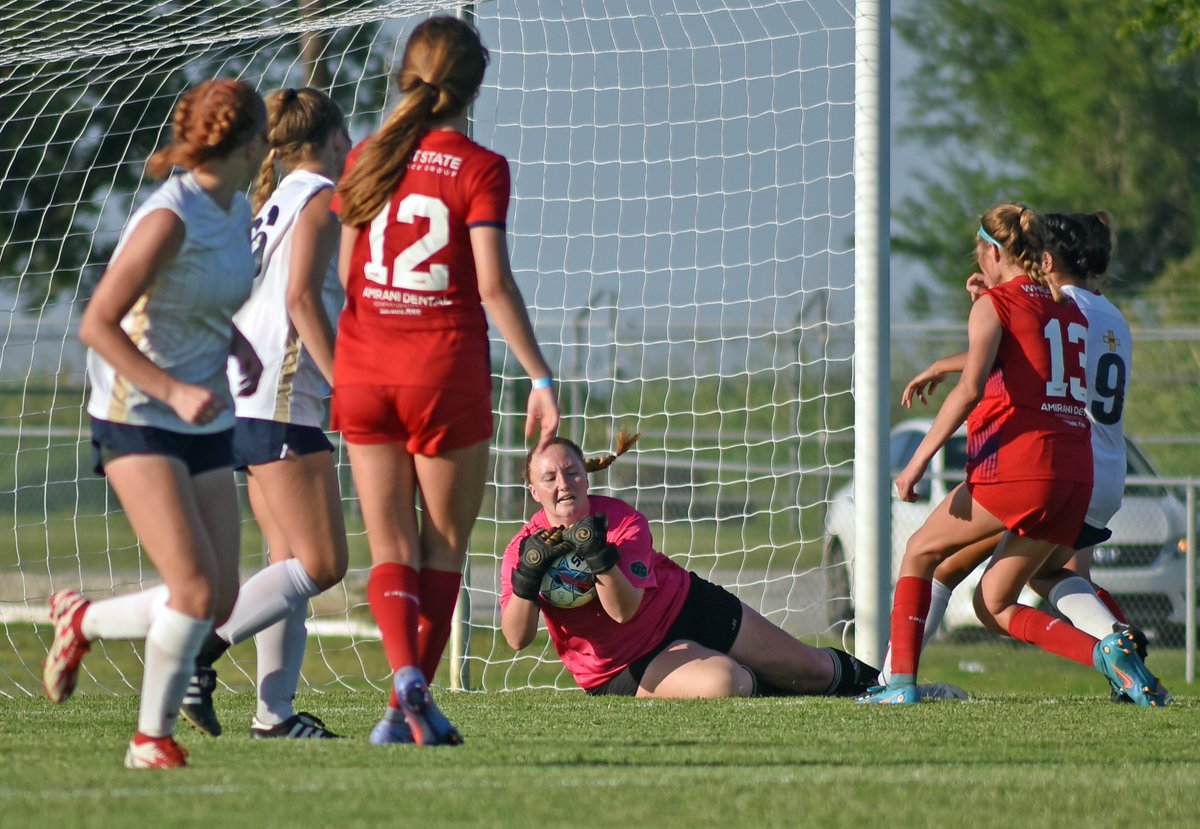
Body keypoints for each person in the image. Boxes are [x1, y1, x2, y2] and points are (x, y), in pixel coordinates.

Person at [332, 16, 560, 746]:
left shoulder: (366, 156)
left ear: (406, 74)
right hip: (442, 371)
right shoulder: (480, 166)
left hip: (364, 369)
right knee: (444, 545)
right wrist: (541, 375)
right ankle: (407, 703)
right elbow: (492, 284)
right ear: (474, 87)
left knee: (390, 546)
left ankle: (405, 695)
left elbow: (343, 276)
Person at [41, 79, 268, 768]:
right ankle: (150, 738)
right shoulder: (169, 216)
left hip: (200, 412)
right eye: (265, 135)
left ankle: (82, 620)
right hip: (136, 412)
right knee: (194, 589)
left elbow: (197, 298)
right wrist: (171, 386)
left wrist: (235, 342)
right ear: (247, 142)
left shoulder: (235, 208)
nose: (270, 147)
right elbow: (97, 324)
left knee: (219, 595)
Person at [860, 202, 1167, 707]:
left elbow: (976, 385)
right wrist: (988, 305)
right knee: (1004, 595)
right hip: (1082, 468)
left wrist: (915, 463)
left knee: (923, 552)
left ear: (992, 251)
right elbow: (1031, 353)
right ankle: (1112, 651)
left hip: (1026, 465)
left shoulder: (1022, 302)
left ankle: (897, 686)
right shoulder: (1072, 308)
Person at [177, 88, 352, 740]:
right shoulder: (317, 197)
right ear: (335, 140)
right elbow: (304, 300)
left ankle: (274, 715)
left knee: (288, 559)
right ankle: (197, 652)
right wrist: (349, 386)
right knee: (323, 562)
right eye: (348, 136)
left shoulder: (275, 200)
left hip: (247, 395)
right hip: (280, 397)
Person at [500, 432, 879, 699]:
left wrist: (598, 552)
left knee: (813, 670)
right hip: (624, 665)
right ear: (534, 491)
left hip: (686, 606)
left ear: (586, 474)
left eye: (571, 472)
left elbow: (625, 607)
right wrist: (529, 577)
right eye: (549, 478)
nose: (563, 484)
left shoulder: (621, 521)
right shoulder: (525, 547)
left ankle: (887, 685)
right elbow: (517, 639)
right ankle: (750, 677)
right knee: (729, 684)